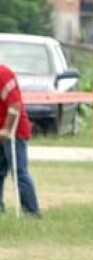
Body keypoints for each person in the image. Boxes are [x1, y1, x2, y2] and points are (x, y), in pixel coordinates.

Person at [0, 63, 41, 217]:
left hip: (14, 132)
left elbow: (15, 103)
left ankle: (32, 211)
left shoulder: (3, 74)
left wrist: (6, 129)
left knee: (19, 172)